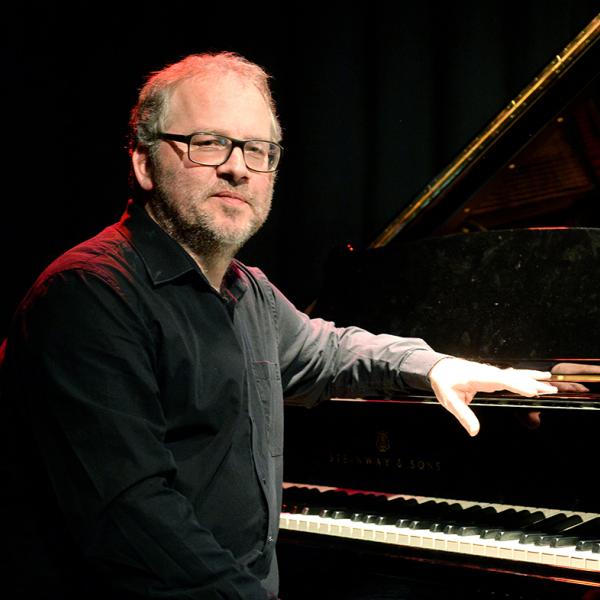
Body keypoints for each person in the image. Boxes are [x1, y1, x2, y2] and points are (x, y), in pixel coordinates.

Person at [0, 52, 557, 600]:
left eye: (258, 150)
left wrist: (435, 365)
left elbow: (329, 350)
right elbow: (134, 524)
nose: (238, 167)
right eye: (208, 142)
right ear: (144, 164)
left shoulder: (250, 292)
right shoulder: (87, 296)